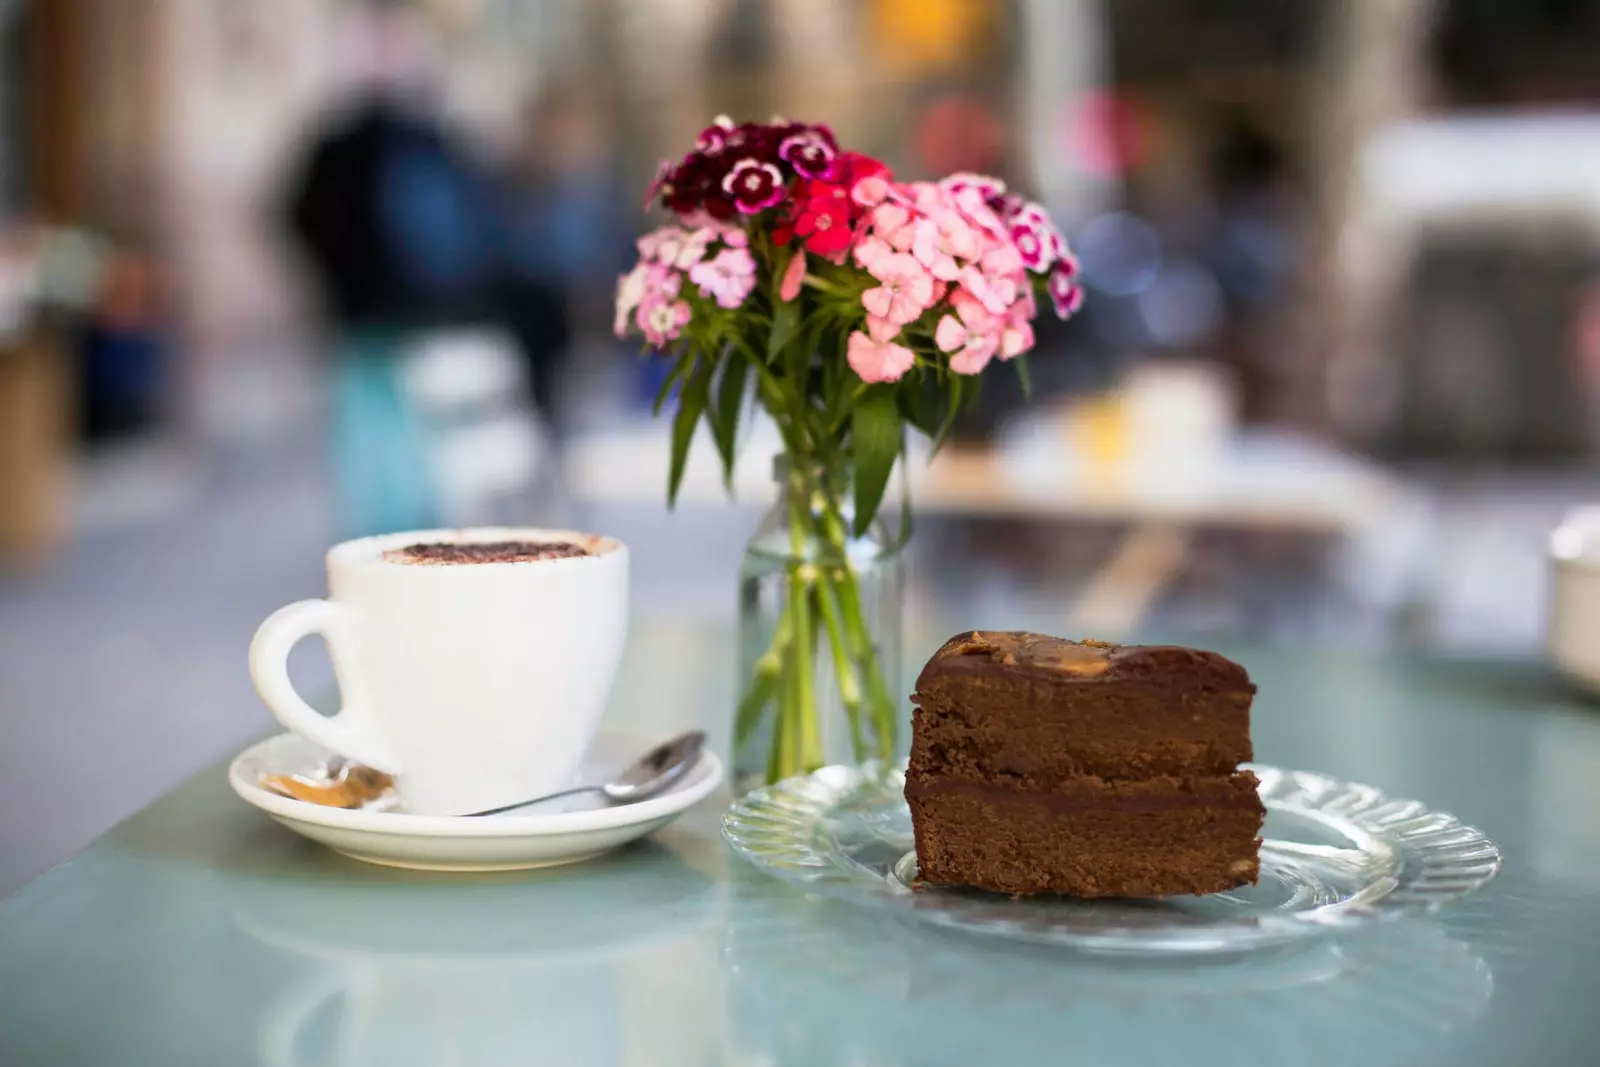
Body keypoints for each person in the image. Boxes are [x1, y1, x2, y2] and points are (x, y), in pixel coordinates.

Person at [282, 0, 501, 537]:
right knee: (420, 427)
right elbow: (487, 218)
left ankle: (379, 541)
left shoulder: (339, 141)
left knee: (370, 431)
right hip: (430, 309)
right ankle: (418, 535)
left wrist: (334, 273)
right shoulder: (436, 137)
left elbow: (295, 215)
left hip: (364, 312)